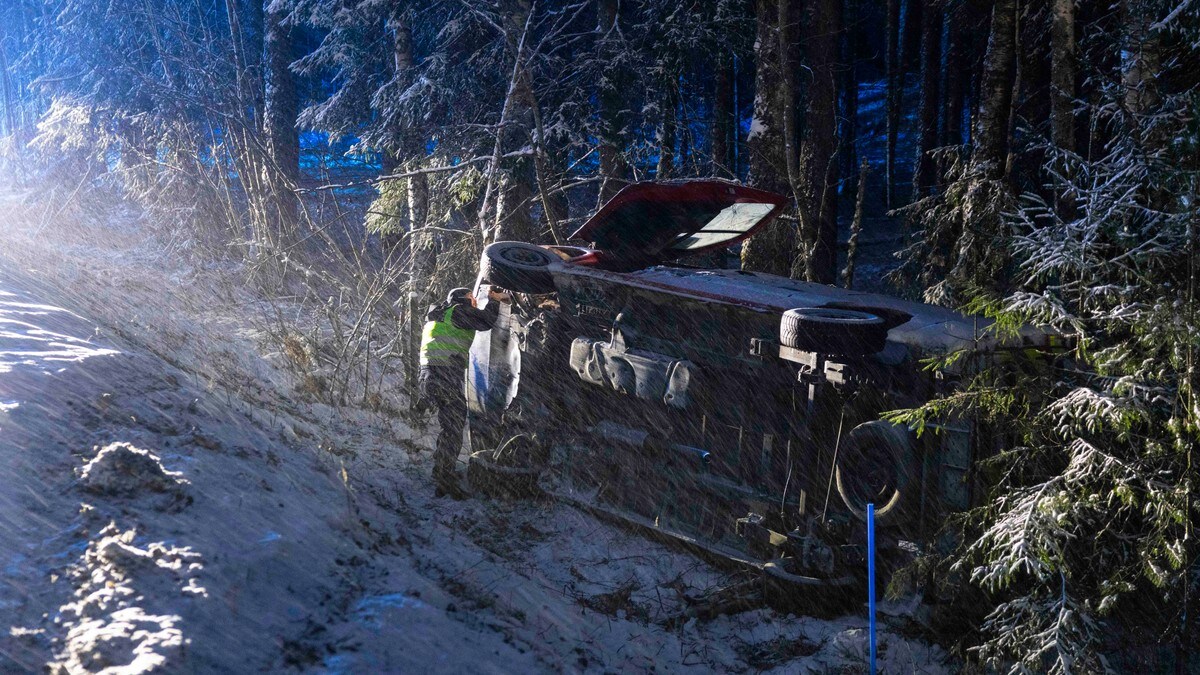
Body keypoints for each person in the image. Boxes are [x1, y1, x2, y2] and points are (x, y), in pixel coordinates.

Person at [418, 286, 509, 498]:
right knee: (453, 428)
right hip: (444, 376)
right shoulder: (459, 311)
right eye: (471, 297)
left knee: (449, 426)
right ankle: (444, 479)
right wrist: (495, 299)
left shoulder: (437, 317)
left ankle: (441, 471)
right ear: (461, 299)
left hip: (428, 376)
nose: (474, 301)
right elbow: (486, 321)